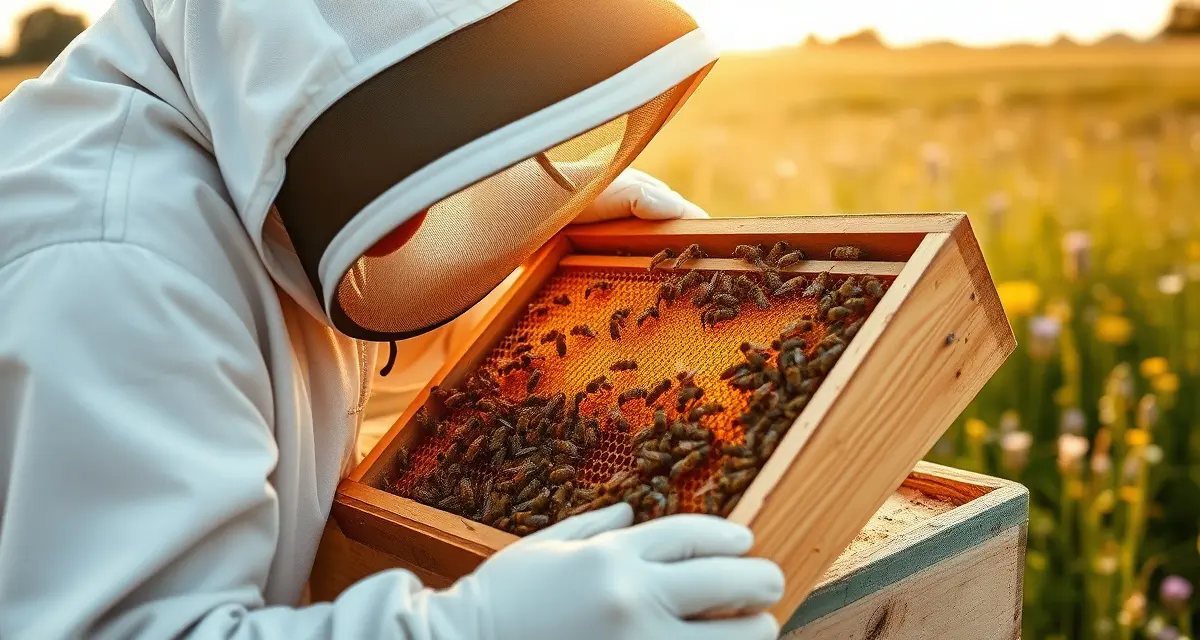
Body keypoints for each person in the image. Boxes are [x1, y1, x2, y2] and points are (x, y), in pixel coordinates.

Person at [0, 0, 785, 638]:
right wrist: (474, 631)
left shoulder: (221, 134)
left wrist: (510, 272)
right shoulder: (110, 265)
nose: (438, 172)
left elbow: (285, 371)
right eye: (411, 127)